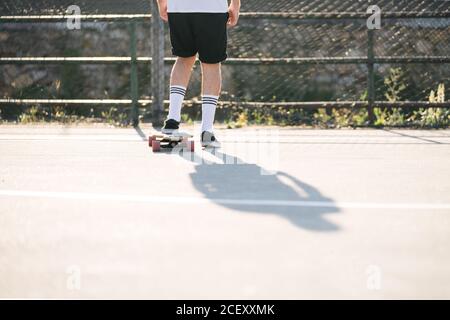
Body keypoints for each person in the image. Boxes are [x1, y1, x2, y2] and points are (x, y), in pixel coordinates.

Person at [156, 0, 241, 148]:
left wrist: (161, 3)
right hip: (211, 8)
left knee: (184, 58)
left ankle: (172, 121)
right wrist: (235, 4)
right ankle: (207, 131)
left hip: (179, 7)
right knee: (211, 64)